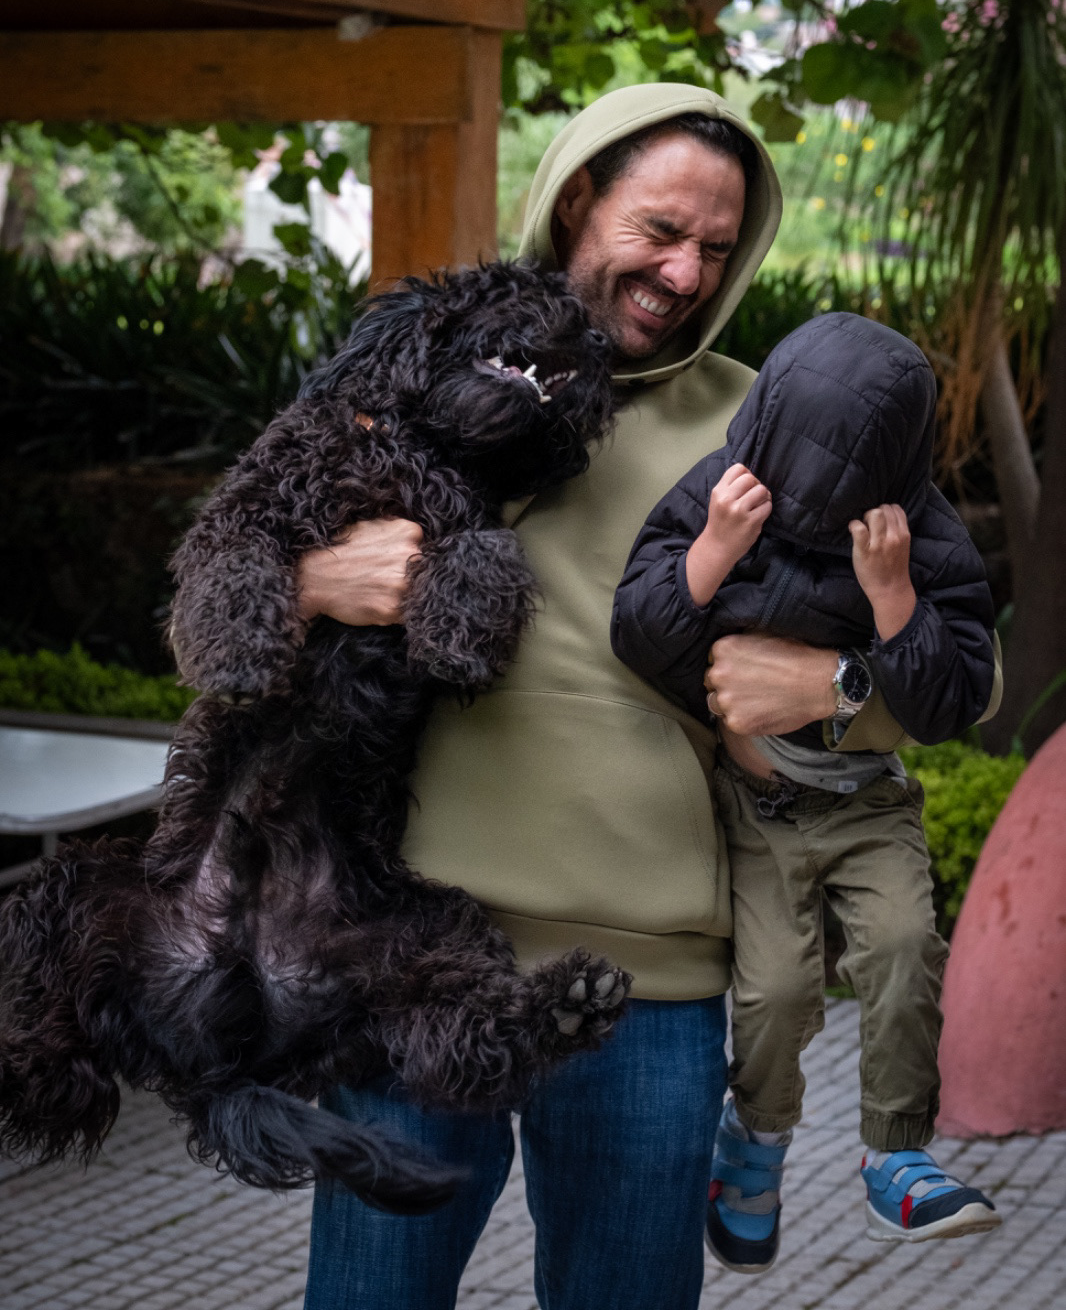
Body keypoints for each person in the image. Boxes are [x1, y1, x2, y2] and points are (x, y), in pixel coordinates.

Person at [292, 85, 1001, 1310]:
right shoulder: (420, 373)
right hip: (406, 955)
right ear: (574, 198)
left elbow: (960, 675)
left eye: (717, 248)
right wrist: (310, 578)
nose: (684, 272)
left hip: (649, 993)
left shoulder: (778, 416)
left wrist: (832, 684)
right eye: (659, 231)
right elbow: (222, 581)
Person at [611, 312, 1003, 1273]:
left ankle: (899, 1156)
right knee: (779, 991)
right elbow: (640, 634)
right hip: (758, 810)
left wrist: (892, 596)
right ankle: (756, 1142)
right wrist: (713, 547)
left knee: (907, 945)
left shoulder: (914, 535)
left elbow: (953, 695)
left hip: (868, 802)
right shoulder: (721, 489)